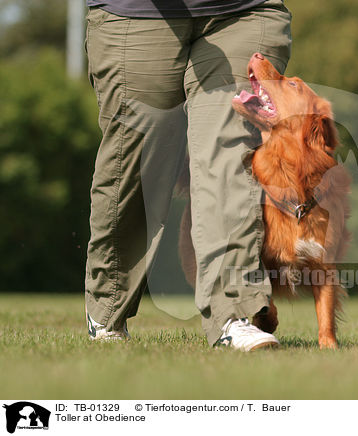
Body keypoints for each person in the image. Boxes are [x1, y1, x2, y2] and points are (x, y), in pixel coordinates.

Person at [83, 0, 292, 351]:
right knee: (135, 160)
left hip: (244, 10)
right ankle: (108, 308)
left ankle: (233, 315)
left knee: (231, 157)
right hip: (136, 13)